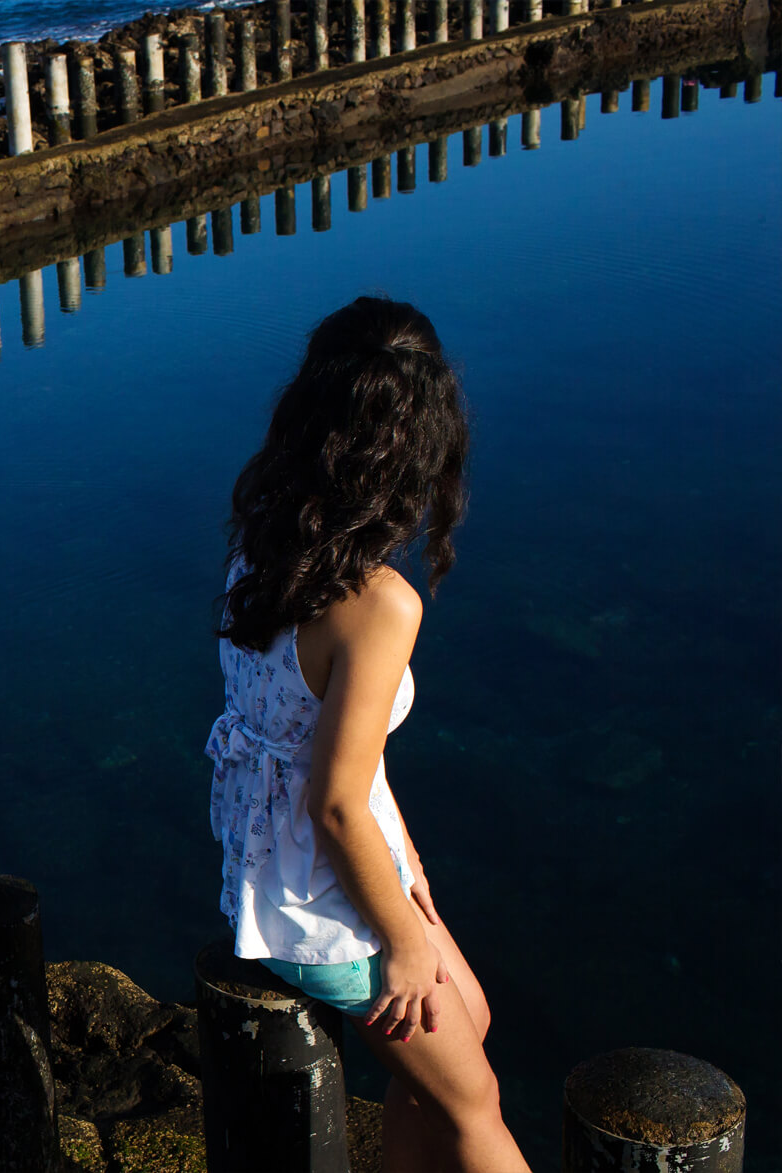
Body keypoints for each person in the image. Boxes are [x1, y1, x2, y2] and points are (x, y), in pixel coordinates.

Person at [205, 296, 529, 1172]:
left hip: (277, 857)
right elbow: (337, 801)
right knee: (477, 1107)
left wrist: (409, 865)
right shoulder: (382, 605)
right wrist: (404, 938)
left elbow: (331, 754)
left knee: (474, 1017)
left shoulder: (270, 532)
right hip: (314, 894)